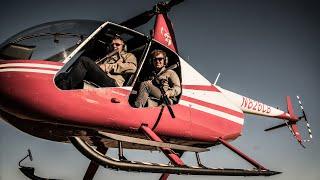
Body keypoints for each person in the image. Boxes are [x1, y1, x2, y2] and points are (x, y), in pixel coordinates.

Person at [56, 36, 137, 89]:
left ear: (123, 46)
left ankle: (64, 88)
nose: (114, 46)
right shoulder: (107, 57)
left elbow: (132, 67)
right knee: (63, 75)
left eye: (117, 44)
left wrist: (106, 67)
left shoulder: (128, 55)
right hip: (101, 78)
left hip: (113, 83)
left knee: (84, 60)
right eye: (112, 45)